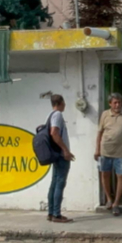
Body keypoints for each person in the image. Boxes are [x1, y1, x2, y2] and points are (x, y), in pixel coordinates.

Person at [45, 94, 76, 223]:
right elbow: (54, 133)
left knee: (54, 183)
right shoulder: (57, 115)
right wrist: (65, 150)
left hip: (56, 154)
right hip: (61, 155)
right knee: (59, 183)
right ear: (61, 103)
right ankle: (56, 214)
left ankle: (51, 213)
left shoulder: (50, 115)